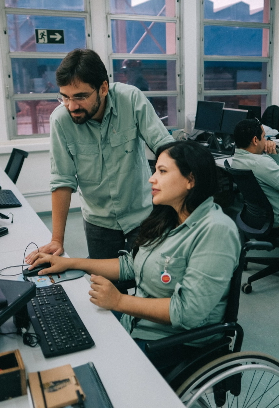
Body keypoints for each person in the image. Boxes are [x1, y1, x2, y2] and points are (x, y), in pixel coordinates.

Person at [27, 140, 241, 371]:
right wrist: (70, 263)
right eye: (154, 170)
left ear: (191, 180)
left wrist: (119, 301)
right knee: (63, 331)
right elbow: (131, 265)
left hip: (173, 343)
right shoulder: (170, 216)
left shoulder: (216, 231)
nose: (152, 178)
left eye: (162, 171)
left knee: (81, 365)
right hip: (137, 325)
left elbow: (187, 312)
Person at [26, 48, 173, 263]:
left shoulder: (130, 99)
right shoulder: (60, 120)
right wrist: (57, 239)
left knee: (148, 283)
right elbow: (62, 181)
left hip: (141, 215)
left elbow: (164, 147)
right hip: (98, 221)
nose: (71, 106)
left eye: (80, 97)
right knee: (106, 288)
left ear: (103, 88)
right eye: (64, 97)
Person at [232, 118, 279, 227]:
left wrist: (274, 153)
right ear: (255, 140)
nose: (266, 141)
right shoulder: (261, 163)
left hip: (258, 217)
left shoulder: (236, 159)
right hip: (275, 217)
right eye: (263, 137)